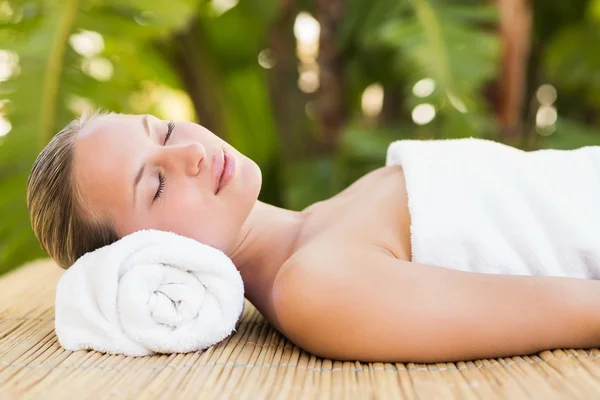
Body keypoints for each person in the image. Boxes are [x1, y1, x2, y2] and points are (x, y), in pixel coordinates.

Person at [26, 111, 600, 363]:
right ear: (143, 253)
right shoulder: (315, 286)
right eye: (154, 183)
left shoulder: (319, 225)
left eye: (166, 130)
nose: (192, 152)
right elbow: (583, 309)